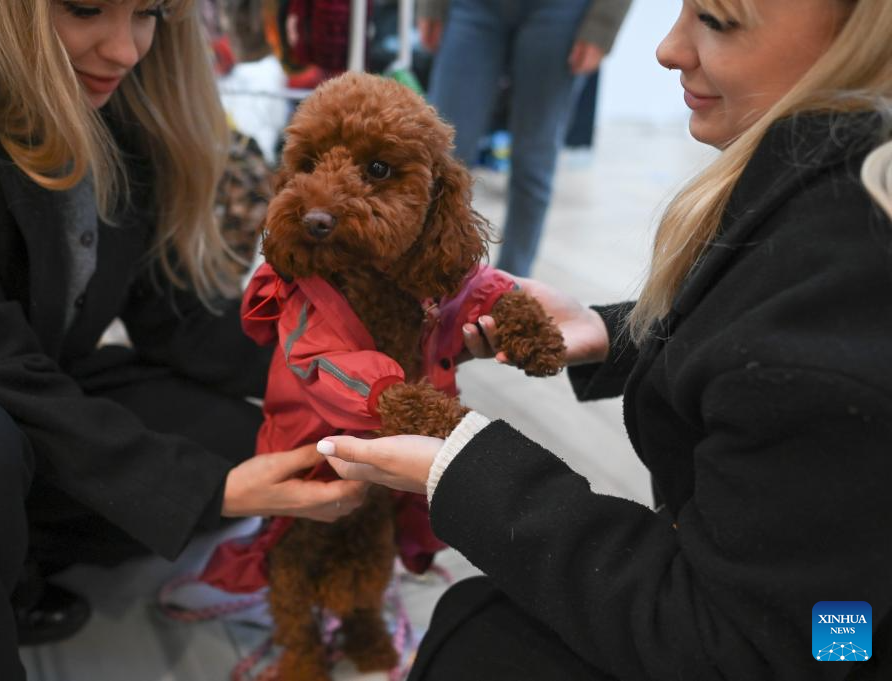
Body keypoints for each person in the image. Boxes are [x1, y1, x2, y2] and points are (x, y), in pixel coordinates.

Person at [319, 0, 892, 678]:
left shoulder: (843, 306)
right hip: (837, 602)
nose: (667, 49)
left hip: (847, 635)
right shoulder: (818, 196)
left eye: (717, 19)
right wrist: (621, 333)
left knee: (474, 643)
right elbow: (758, 349)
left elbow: (785, 640)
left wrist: (464, 467)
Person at [0, 2, 369, 679]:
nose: (127, 50)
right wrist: (207, 490)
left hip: (0, 411)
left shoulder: (115, 123)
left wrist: (369, 360)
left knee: (241, 438)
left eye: (149, 13)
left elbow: (178, 316)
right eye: (85, 8)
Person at [417, 0, 632, 277]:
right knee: (442, 155)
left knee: (533, 160)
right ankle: (425, 278)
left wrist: (603, 23)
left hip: (559, 11)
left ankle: (510, 286)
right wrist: (431, 6)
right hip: (472, 7)